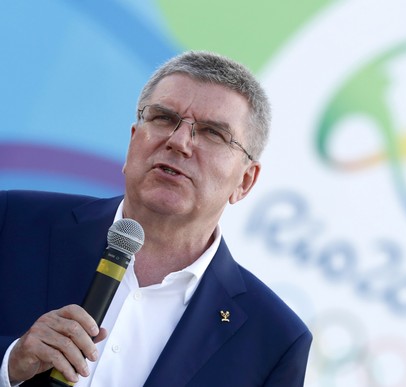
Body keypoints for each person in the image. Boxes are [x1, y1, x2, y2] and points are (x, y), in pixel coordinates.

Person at [0, 51, 312, 386]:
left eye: (212, 133)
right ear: (133, 140)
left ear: (245, 181)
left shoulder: (275, 340)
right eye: (163, 118)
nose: (179, 142)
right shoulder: (13, 223)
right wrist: (10, 363)